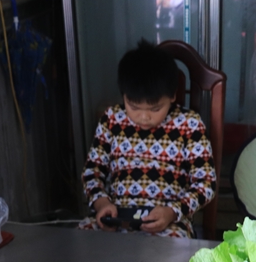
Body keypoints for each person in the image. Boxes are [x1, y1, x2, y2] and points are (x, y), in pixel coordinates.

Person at [80, 40, 216, 238]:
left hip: (168, 223)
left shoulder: (189, 124)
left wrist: (172, 212)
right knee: (80, 241)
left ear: (172, 96)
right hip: (115, 216)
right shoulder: (111, 120)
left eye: (155, 109)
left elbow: (206, 183)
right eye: (133, 107)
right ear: (123, 96)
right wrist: (102, 204)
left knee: (172, 253)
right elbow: (92, 172)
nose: (143, 117)